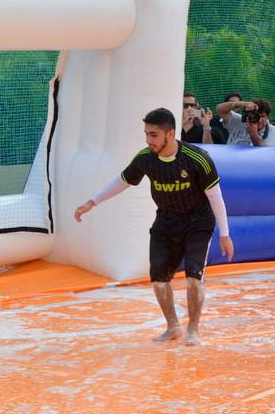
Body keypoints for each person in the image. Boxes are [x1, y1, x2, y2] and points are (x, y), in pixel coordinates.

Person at [74, 108, 234, 346]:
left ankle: (193, 329)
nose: (148, 140)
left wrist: (225, 234)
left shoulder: (196, 158)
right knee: (159, 279)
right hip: (166, 222)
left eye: (154, 135)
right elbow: (122, 181)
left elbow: (215, 196)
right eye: (147, 134)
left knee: (193, 277)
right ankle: (173, 327)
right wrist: (92, 202)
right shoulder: (145, 158)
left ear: (170, 134)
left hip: (197, 224)